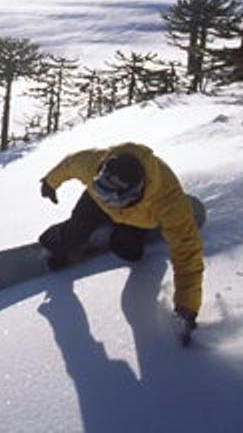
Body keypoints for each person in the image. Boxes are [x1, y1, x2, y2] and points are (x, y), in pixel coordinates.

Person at [39, 142, 203, 338]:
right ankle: (59, 240)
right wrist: (50, 182)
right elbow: (70, 164)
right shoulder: (94, 163)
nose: (108, 200)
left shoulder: (168, 201)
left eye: (112, 198)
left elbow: (188, 256)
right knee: (71, 239)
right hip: (94, 204)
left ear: (136, 192)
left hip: (137, 217)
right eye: (102, 189)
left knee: (129, 253)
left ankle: (132, 229)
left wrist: (187, 305)